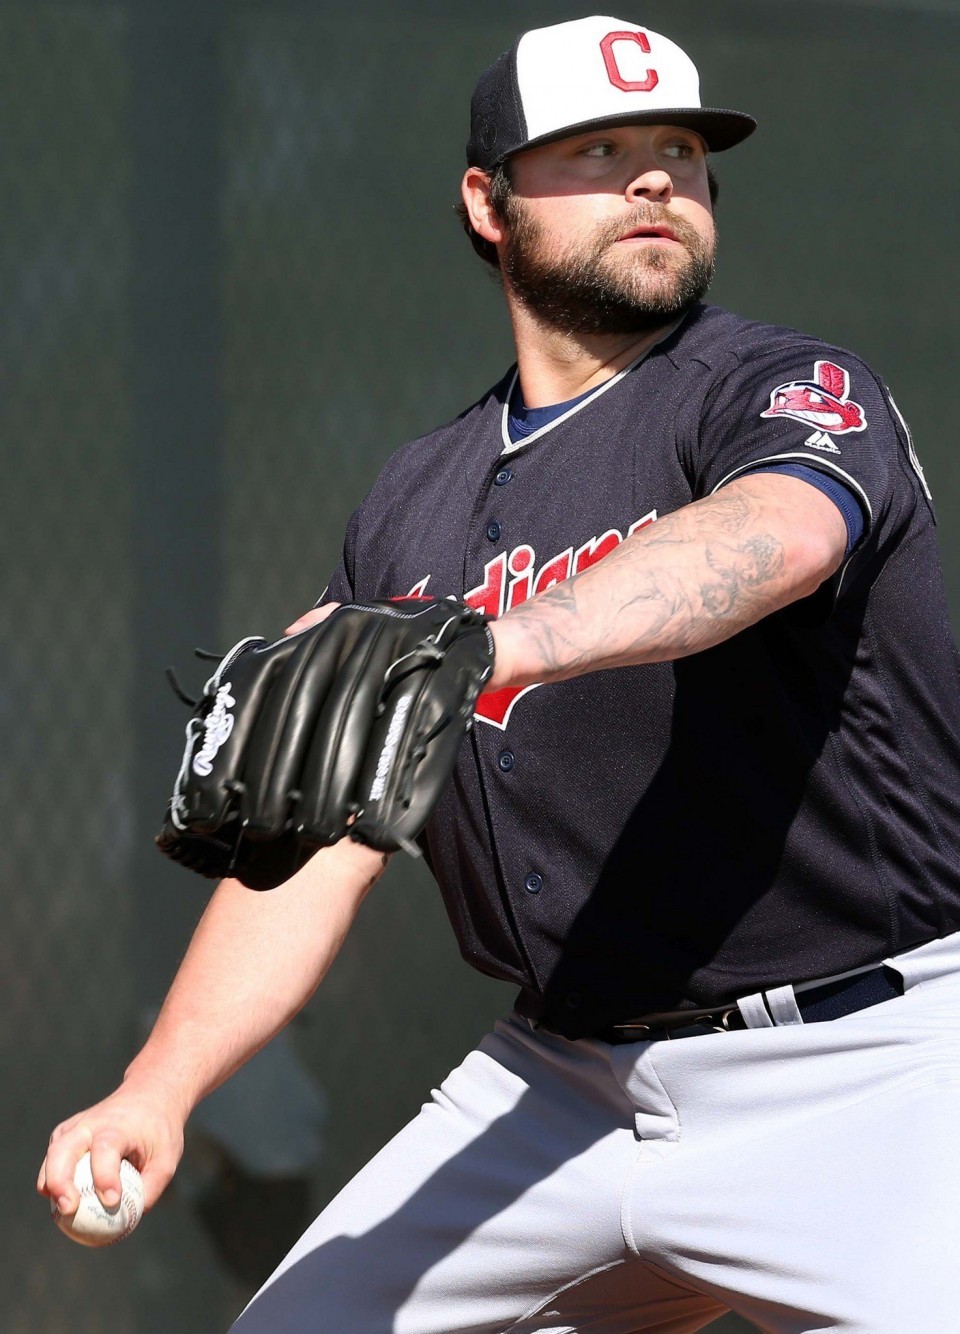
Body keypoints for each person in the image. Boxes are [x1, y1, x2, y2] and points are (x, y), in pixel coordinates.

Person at [40, 16, 960, 1332]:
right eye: (598, 152)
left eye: (679, 149)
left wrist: (491, 641)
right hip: (561, 1084)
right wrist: (160, 1085)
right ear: (488, 202)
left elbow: (781, 536)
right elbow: (326, 840)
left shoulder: (780, 387)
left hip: (872, 1066)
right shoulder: (413, 503)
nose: (655, 177)